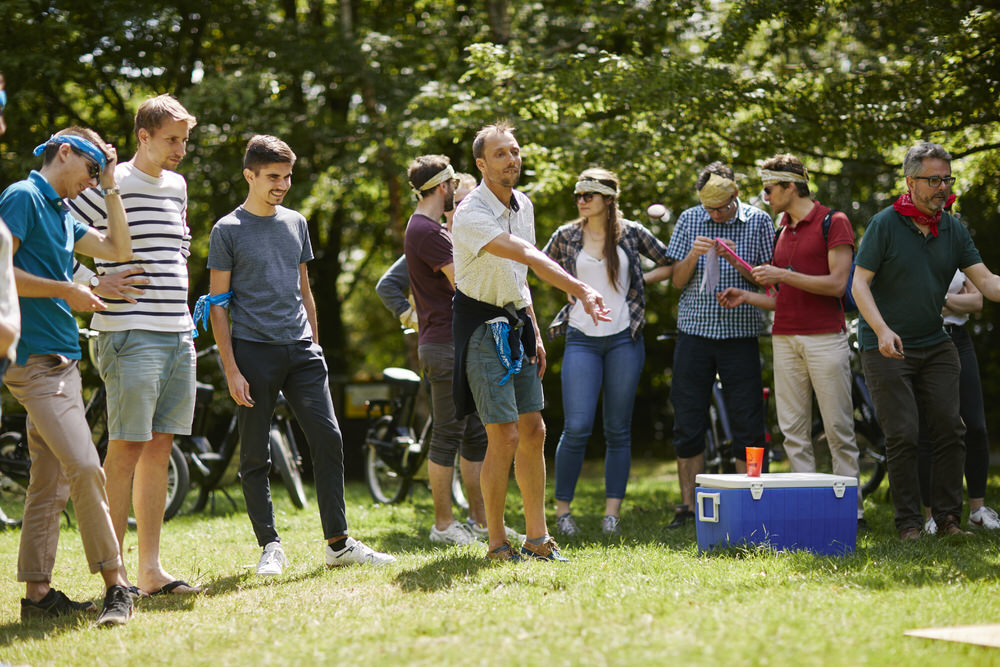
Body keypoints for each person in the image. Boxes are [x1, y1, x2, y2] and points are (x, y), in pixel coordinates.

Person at [208, 135, 394, 575]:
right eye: (274, 176)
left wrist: (315, 342)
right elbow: (218, 305)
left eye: (288, 176)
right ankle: (270, 545)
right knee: (256, 454)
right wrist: (231, 368)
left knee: (328, 439)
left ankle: (338, 543)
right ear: (249, 175)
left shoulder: (296, 222)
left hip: (302, 352)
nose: (283, 184)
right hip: (253, 352)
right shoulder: (226, 230)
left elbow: (305, 290)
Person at [451, 121, 610, 562]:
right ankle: (497, 542)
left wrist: (534, 329)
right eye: (500, 154)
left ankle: (537, 540)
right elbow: (527, 256)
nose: (512, 160)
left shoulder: (524, 205)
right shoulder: (470, 213)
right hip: (481, 327)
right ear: (481, 164)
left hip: (516, 320)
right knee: (501, 436)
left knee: (534, 430)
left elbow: (519, 278)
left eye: (515, 151)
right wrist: (580, 289)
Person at [67, 95, 202, 596]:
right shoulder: (110, 183)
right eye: (172, 139)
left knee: (160, 446)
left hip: (177, 333)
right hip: (128, 333)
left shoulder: (177, 186)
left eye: (185, 140)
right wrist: (90, 282)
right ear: (142, 136)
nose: (180, 150)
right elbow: (53, 237)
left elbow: (180, 244)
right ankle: (115, 575)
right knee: (125, 448)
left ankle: (150, 571)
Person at [0, 127, 134, 625]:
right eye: (91, 171)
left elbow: (118, 248)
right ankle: (117, 584)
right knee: (84, 465)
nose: (92, 183)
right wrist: (68, 290)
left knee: (50, 481)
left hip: (63, 361)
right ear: (64, 153)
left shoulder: (60, 214)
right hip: (34, 363)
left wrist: (113, 183)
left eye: (100, 175)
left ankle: (37, 595)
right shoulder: (23, 197)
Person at [852, 141, 1000, 540]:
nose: (941, 187)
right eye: (933, 179)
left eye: (946, 179)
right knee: (903, 433)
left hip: (936, 343)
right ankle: (909, 525)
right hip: (885, 345)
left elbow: (986, 282)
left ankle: (950, 521)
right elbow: (859, 285)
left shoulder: (952, 229)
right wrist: (882, 330)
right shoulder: (884, 224)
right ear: (910, 181)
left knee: (952, 428)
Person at [716, 154, 865, 528]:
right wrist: (748, 294)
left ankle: (853, 511)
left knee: (838, 430)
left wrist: (783, 273)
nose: (764, 195)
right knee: (793, 432)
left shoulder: (835, 221)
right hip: (784, 338)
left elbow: (835, 284)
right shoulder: (781, 230)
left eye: (769, 188)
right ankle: (809, 509)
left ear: (790, 186)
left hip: (826, 339)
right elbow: (783, 295)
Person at [542, 168, 673, 537]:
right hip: (582, 337)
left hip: (623, 339)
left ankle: (611, 514)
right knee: (578, 426)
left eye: (589, 195)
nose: (581, 201)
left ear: (608, 200)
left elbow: (669, 264)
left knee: (618, 429)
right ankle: (563, 513)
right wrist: (569, 289)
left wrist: (635, 282)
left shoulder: (632, 233)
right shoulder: (567, 234)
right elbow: (541, 265)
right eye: (578, 195)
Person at [664, 161, 774, 529]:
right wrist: (694, 255)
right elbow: (677, 281)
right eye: (710, 209)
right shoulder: (690, 219)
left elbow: (766, 283)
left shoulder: (758, 221)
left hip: (740, 335)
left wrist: (732, 258)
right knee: (688, 420)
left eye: (722, 208)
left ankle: (750, 500)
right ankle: (689, 508)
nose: (716, 215)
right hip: (695, 333)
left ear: (736, 195)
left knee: (748, 421)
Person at [396, 160, 497, 545]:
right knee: (447, 435)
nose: (457, 189)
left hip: (454, 342)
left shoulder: (427, 228)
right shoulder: (427, 231)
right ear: (443, 187)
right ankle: (442, 526)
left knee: (473, 434)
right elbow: (465, 285)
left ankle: (480, 521)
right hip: (443, 345)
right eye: (454, 183)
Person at [919, 271, 999, 533]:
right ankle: (930, 516)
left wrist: (940, 299)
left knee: (976, 426)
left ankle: (977, 510)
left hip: (959, 339)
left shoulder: (957, 245)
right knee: (928, 431)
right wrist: (956, 299)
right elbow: (914, 303)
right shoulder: (910, 245)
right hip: (924, 339)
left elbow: (977, 302)